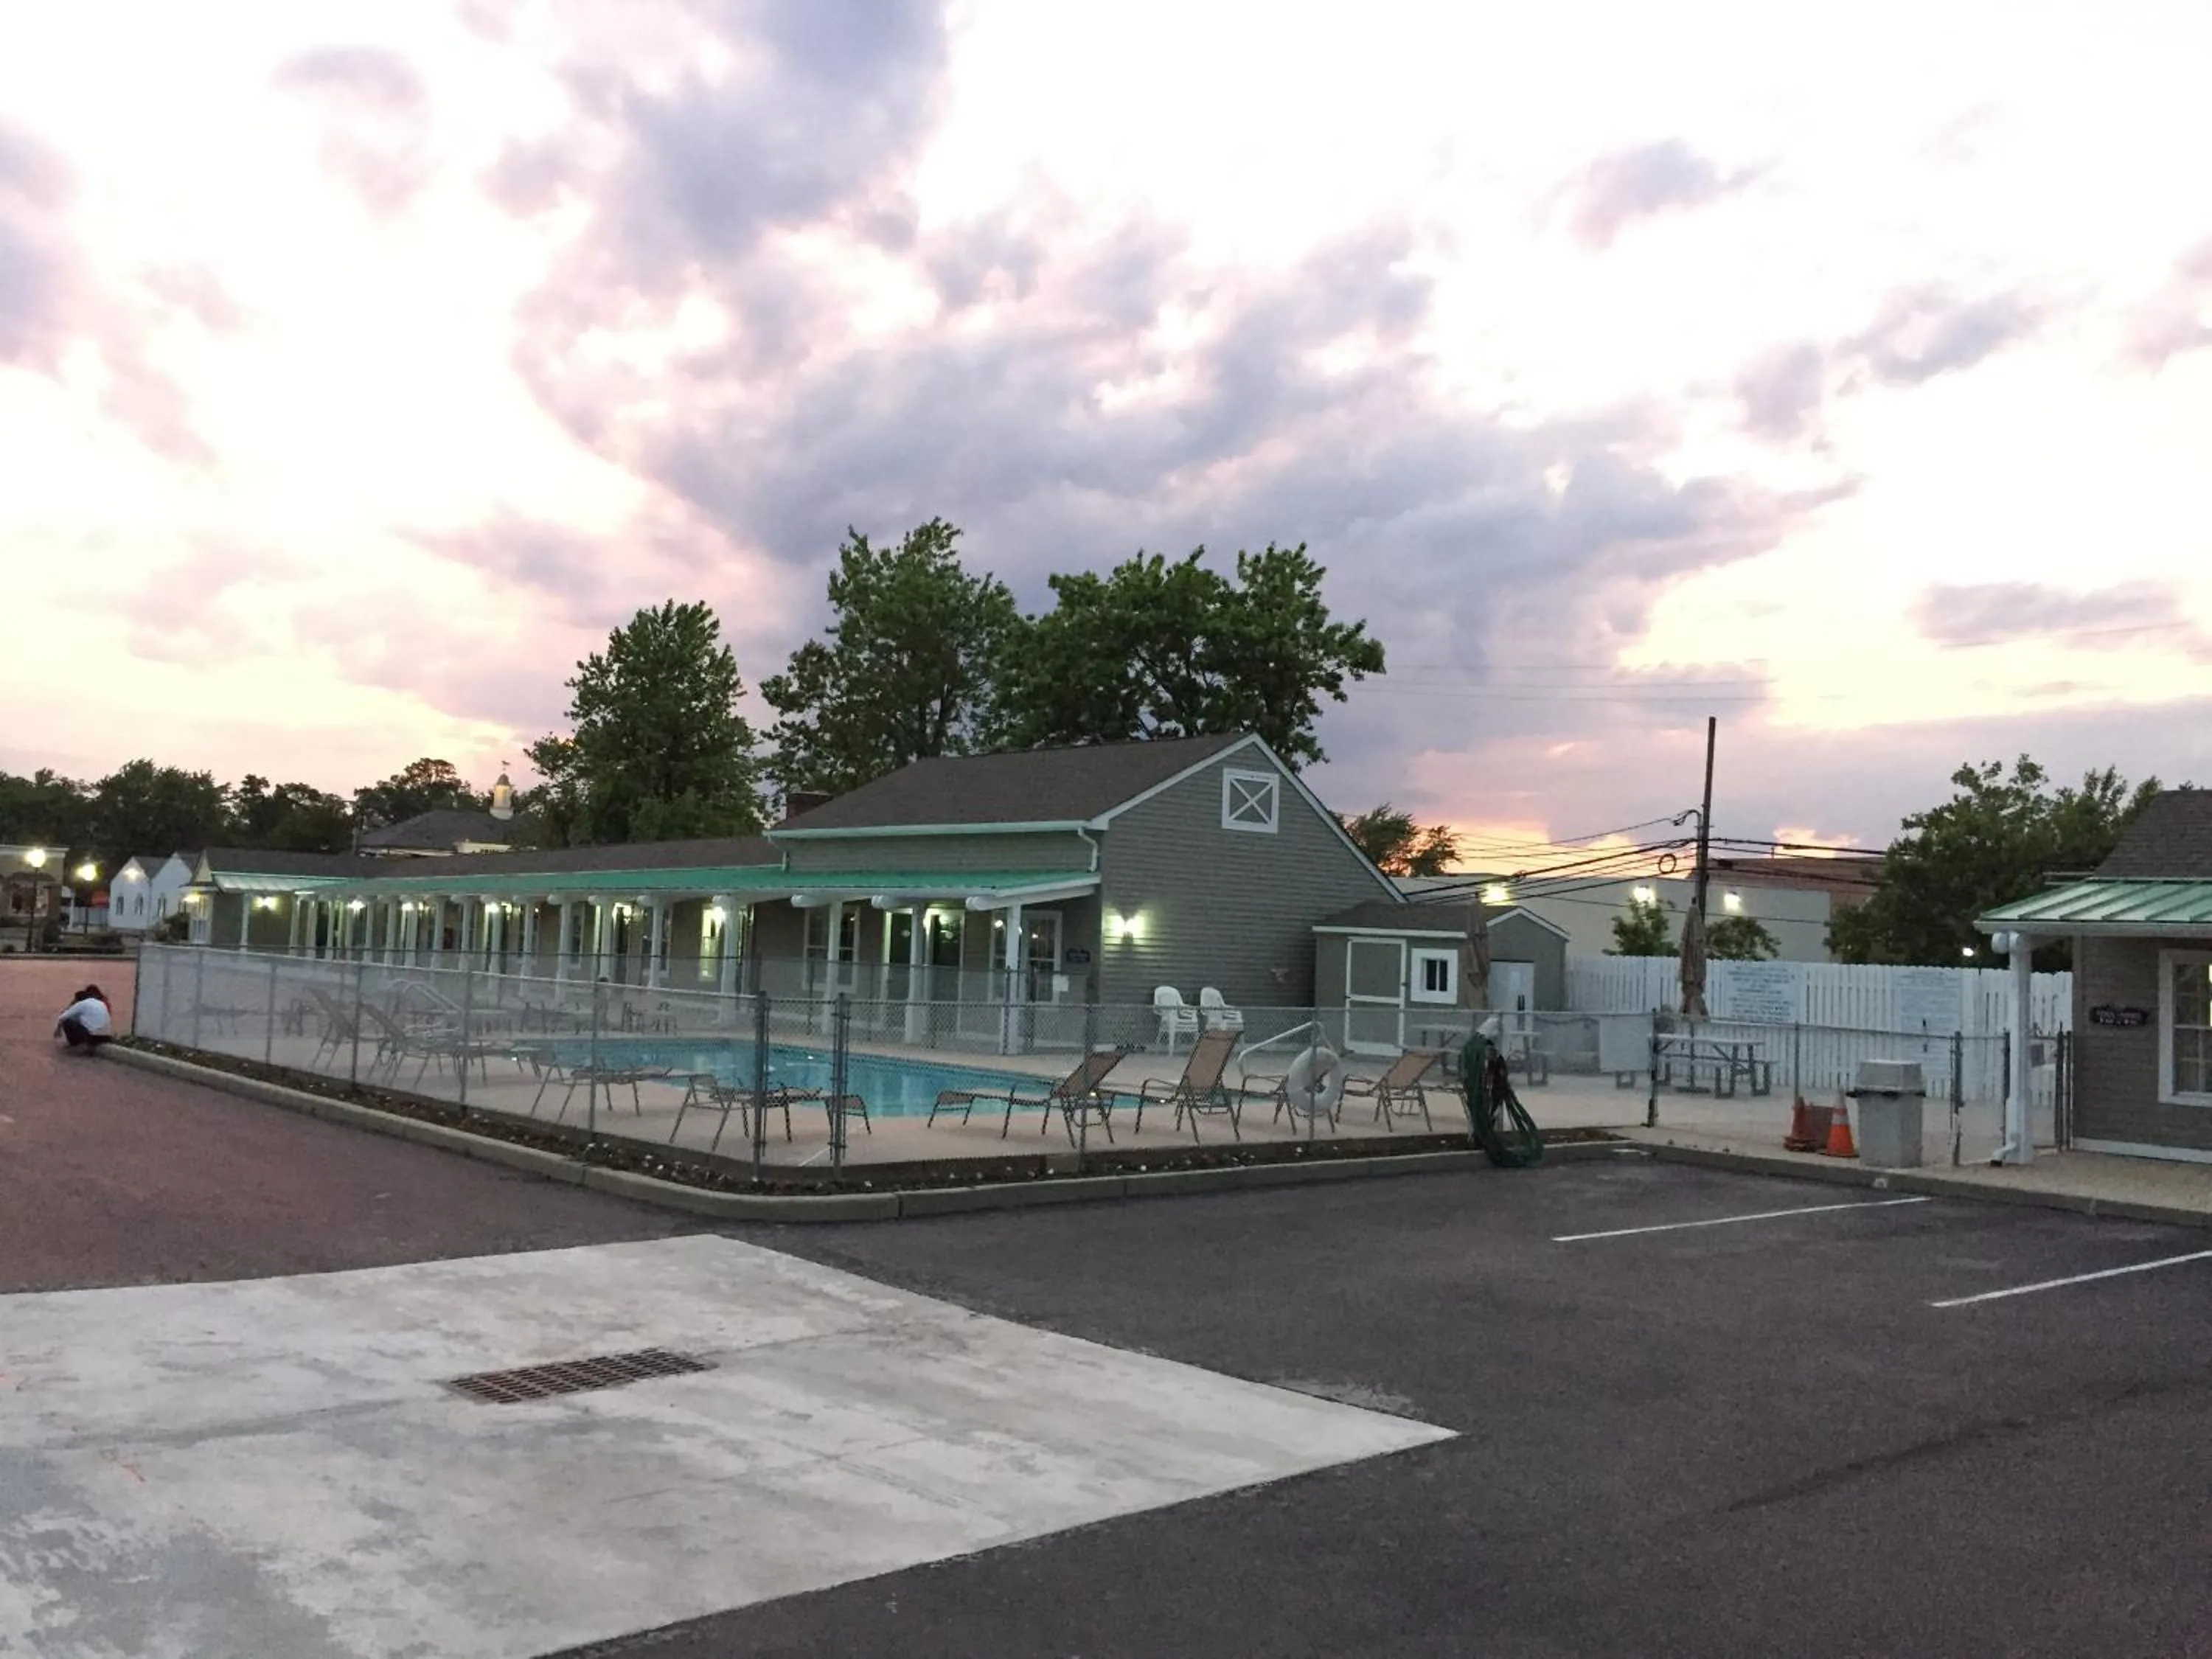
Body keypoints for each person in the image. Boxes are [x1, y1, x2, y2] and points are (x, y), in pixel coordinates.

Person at [55, 985, 113, 1052]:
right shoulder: (101, 1003)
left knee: (68, 1022)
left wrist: (58, 1029)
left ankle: (76, 1044)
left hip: (92, 1036)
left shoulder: (82, 1004)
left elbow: (62, 1017)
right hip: (106, 1036)